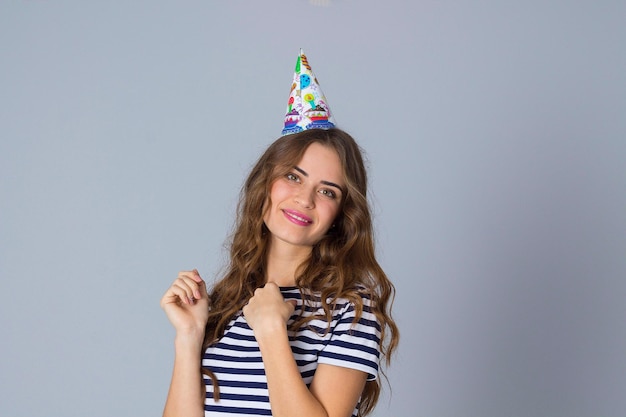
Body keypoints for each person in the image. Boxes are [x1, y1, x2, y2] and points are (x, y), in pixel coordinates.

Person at [160, 51, 399, 417]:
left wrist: (272, 330)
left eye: (327, 191)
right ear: (266, 184)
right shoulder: (224, 304)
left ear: (340, 215)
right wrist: (189, 338)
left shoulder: (349, 309)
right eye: (293, 176)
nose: (304, 199)